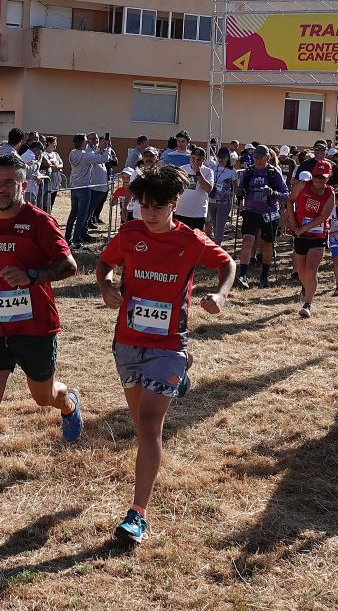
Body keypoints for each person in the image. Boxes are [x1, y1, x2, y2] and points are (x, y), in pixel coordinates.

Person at [95, 165, 235, 544]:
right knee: (140, 423)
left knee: (150, 426)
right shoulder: (129, 234)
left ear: (174, 204)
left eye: (157, 206)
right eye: (144, 206)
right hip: (127, 341)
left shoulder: (191, 240)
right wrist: (106, 286)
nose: (149, 213)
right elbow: (104, 264)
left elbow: (227, 263)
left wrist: (220, 295)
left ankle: (137, 514)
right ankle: (181, 374)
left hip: (169, 343)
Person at [0, 154, 81, 512]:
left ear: (24, 185)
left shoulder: (40, 221)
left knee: (43, 396)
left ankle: (68, 403)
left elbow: (70, 266)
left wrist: (32, 276)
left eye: (9, 182)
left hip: (36, 326)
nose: (1, 188)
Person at [235, 145, 288, 289]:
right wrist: (239, 193)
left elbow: (286, 194)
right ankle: (242, 275)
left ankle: (264, 276)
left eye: (261, 157)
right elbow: (242, 190)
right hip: (251, 211)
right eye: (256, 157)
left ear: (268, 158)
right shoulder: (249, 171)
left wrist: (273, 193)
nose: (258, 160)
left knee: (267, 244)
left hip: (269, 212)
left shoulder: (273, 172)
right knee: (247, 240)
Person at [287, 160, 334, 318]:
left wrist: (303, 228)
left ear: (328, 177)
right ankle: (305, 289)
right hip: (301, 234)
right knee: (301, 272)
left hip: (318, 235)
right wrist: (294, 224)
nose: (319, 180)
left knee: (311, 270)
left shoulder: (330, 193)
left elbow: (323, 216)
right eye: (316, 176)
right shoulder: (302, 186)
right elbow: (290, 200)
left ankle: (308, 304)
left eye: (323, 177)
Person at [65, 133, 111, 250]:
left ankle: (67, 238)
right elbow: (104, 159)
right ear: (81, 143)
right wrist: (107, 149)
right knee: (82, 215)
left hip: (74, 188)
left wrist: (99, 149)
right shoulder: (85, 155)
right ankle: (76, 241)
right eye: (85, 141)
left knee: (72, 214)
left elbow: (90, 156)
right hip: (84, 189)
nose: (87, 143)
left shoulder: (72, 153)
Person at [174, 147, 214, 230]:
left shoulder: (208, 171)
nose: (195, 161)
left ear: (204, 160)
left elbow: (208, 189)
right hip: (180, 212)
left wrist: (198, 173)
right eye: (193, 158)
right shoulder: (182, 169)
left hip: (197, 214)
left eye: (198, 159)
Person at [206, 147, 236, 245]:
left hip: (224, 202)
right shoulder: (213, 169)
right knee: (215, 225)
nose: (221, 160)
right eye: (219, 157)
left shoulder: (232, 171)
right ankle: (216, 245)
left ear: (228, 158)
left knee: (219, 227)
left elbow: (235, 186)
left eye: (224, 158)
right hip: (212, 200)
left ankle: (216, 247)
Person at [39, 136, 63, 213]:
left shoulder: (56, 154)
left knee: (52, 200)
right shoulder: (44, 154)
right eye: (54, 143)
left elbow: (61, 164)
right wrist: (55, 167)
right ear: (49, 143)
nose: (55, 145)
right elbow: (49, 166)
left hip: (55, 180)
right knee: (45, 201)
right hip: (48, 181)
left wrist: (57, 167)